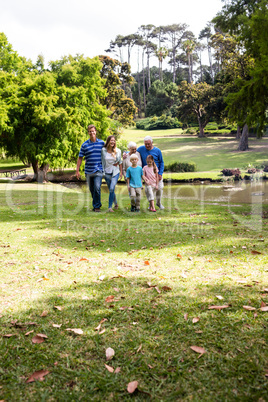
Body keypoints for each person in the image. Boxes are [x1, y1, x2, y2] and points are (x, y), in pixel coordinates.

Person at [76, 124, 104, 212]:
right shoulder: (84, 145)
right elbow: (80, 158)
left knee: (97, 187)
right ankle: (96, 203)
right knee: (92, 189)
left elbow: (110, 151)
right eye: (90, 131)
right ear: (88, 133)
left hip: (98, 169)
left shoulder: (102, 143)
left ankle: (97, 206)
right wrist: (77, 170)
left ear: (95, 131)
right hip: (88, 170)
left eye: (93, 131)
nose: (92, 133)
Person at [137, 136, 165, 209]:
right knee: (148, 190)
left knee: (159, 188)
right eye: (146, 144)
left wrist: (160, 173)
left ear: (152, 143)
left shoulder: (157, 151)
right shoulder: (141, 149)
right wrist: (125, 153)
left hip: (156, 173)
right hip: (147, 175)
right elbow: (133, 151)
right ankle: (151, 205)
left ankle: (158, 203)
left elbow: (161, 162)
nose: (147, 146)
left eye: (149, 144)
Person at [101, 135, 122, 212]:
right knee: (111, 189)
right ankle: (116, 203)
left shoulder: (118, 151)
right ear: (108, 141)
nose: (113, 142)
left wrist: (121, 173)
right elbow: (102, 161)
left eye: (114, 140)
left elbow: (120, 162)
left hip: (115, 172)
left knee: (112, 188)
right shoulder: (103, 150)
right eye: (111, 140)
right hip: (106, 172)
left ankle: (110, 207)